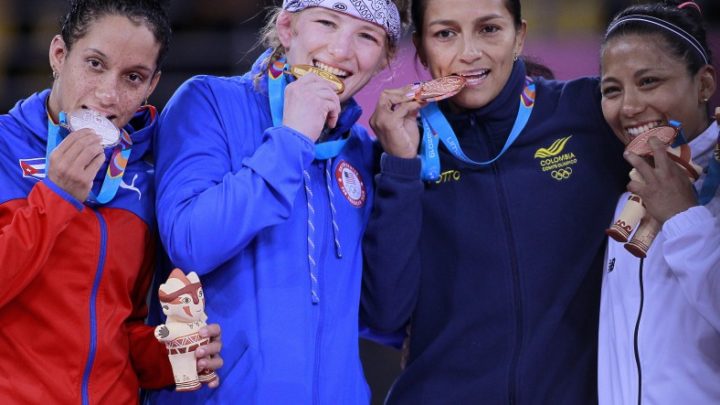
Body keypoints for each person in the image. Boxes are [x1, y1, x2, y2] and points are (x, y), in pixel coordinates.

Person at [361, 0, 631, 403]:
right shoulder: (399, 150)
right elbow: (384, 316)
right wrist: (401, 166)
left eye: (489, 29)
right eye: (445, 33)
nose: (469, 52)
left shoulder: (588, 114)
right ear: (420, 47)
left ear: (519, 36)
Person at [145, 0, 407, 403]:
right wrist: (292, 140)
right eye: (326, 22)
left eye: (367, 36)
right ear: (287, 28)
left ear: (384, 58)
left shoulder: (360, 152)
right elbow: (190, 242)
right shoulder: (207, 103)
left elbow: (383, 316)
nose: (341, 50)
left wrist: (401, 171)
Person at [0, 1, 222, 403]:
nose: (107, 94)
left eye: (132, 77)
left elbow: (123, 331)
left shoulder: (145, 179)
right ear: (59, 55)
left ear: (152, 85)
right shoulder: (2, 148)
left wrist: (177, 355)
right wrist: (55, 198)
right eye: (95, 64)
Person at [597, 1, 720, 403]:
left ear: (703, 85)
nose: (629, 106)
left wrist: (685, 218)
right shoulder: (622, 196)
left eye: (648, 81)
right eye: (612, 89)